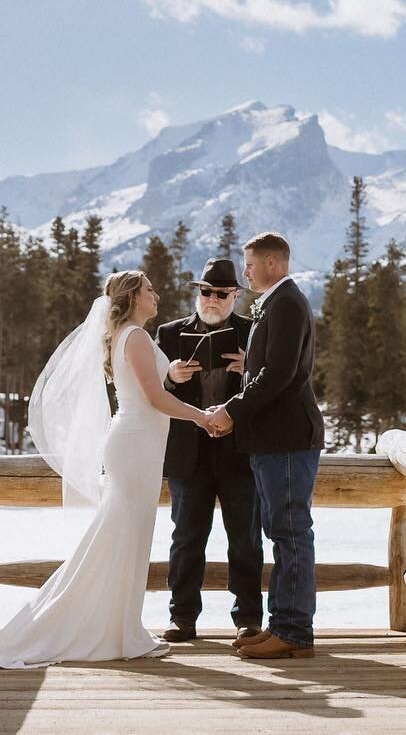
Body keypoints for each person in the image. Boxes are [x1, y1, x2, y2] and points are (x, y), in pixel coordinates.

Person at [0, 269, 215, 670]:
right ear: (133, 297)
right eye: (150, 290)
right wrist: (201, 416)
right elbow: (152, 399)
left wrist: (172, 373)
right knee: (122, 535)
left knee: (129, 537)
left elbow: (151, 384)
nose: (157, 296)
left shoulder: (134, 336)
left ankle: (122, 627)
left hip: (141, 446)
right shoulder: (134, 336)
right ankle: (113, 631)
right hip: (134, 445)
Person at [205, 231, 324, 660]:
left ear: (272, 263)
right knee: (281, 532)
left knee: (290, 533)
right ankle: (281, 623)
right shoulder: (275, 303)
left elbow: (277, 374)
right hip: (274, 439)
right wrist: (232, 407)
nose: (246, 272)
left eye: (250, 264)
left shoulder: (287, 303)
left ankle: (293, 631)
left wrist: (232, 411)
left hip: (288, 438)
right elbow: (265, 373)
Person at [154, 256, 262, 643]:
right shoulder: (168, 334)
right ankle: (182, 617)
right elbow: (145, 387)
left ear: (235, 295)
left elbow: (275, 385)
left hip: (241, 454)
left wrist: (249, 368)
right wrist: (169, 375)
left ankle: (248, 619)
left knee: (246, 539)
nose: (211, 299)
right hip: (189, 452)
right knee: (186, 538)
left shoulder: (254, 333)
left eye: (220, 293)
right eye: (205, 291)